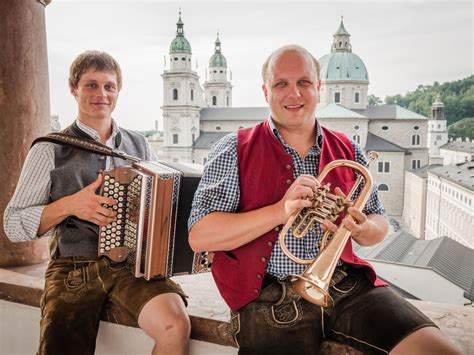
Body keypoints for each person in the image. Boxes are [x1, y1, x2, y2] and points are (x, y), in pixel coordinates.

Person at [188, 45, 460, 354]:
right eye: (282, 84)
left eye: (304, 82)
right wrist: (279, 211)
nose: (295, 93)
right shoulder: (232, 149)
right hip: (269, 297)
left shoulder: (348, 149)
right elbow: (200, 236)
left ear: (319, 88)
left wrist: (361, 228)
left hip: (345, 285)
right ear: (266, 92)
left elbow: (379, 222)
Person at [4, 50, 190, 355]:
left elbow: (163, 199)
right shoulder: (49, 148)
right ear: (73, 89)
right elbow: (13, 224)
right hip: (73, 268)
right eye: (91, 85)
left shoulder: (140, 144)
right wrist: (71, 205)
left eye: (109, 86)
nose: (101, 94)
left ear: (118, 91)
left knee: (175, 326)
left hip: (132, 266)